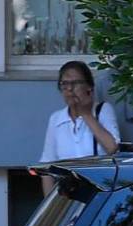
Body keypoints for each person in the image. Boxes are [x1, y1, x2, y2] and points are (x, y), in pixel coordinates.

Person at [39, 61, 120, 196]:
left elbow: (112, 147)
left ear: (89, 87)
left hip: (98, 192)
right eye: (65, 84)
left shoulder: (102, 111)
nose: (70, 89)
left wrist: (86, 113)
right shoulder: (56, 119)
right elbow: (47, 168)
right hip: (68, 196)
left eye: (76, 83)